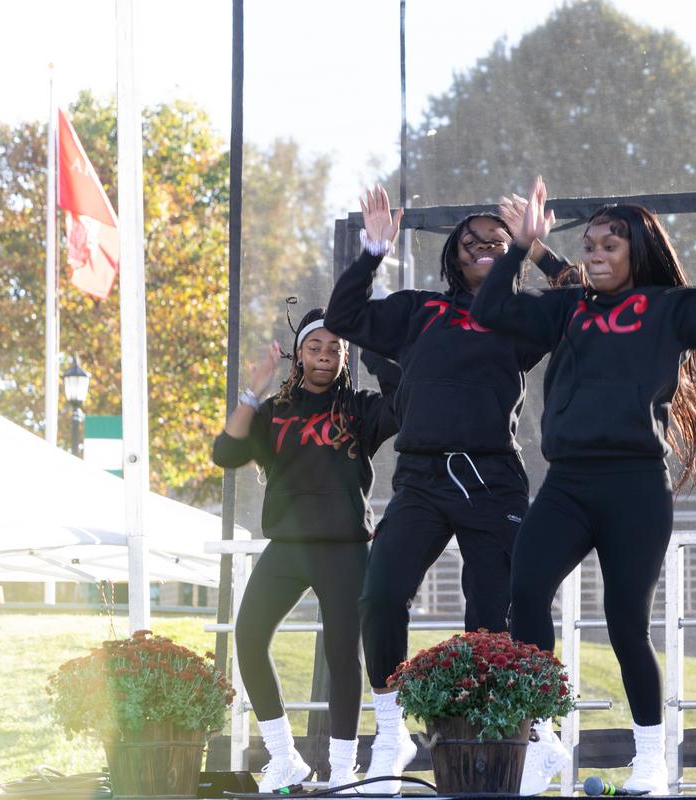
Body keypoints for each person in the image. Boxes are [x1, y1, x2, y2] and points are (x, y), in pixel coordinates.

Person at [470, 177, 696, 794]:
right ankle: (543, 738)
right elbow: (490, 309)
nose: (596, 254)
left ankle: (650, 758)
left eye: (609, 246)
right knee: (524, 589)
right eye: (590, 245)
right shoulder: (567, 306)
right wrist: (521, 248)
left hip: (633, 486)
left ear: (636, 252)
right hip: (568, 483)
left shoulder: (667, 307)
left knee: (625, 621)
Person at [323, 186, 572, 794]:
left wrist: (534, 247)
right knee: (380, 594)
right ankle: (390, 731)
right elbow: (345, 318)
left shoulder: (520, 318)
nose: (486, 246)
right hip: (422, 478)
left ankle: (526, 735)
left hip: (493, 479)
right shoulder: (418, 312)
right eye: (473, 241)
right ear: (453, 258)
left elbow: (577, 299)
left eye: (497, 240)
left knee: (491, 617)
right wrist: (373, 251)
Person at [211, 308, 397, 793]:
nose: (324, 357)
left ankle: (342, 768)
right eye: (315, 348)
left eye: (335, 349)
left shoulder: (359, 407)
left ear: (345, 355)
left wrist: (375, 347)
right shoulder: (273, 409)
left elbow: (406, 403)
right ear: (300, 354)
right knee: (248, 636)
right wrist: (254, 387)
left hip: (344, 549)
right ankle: (284, 756)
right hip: (288, 546)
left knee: (342, 655)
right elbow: (226, 453)